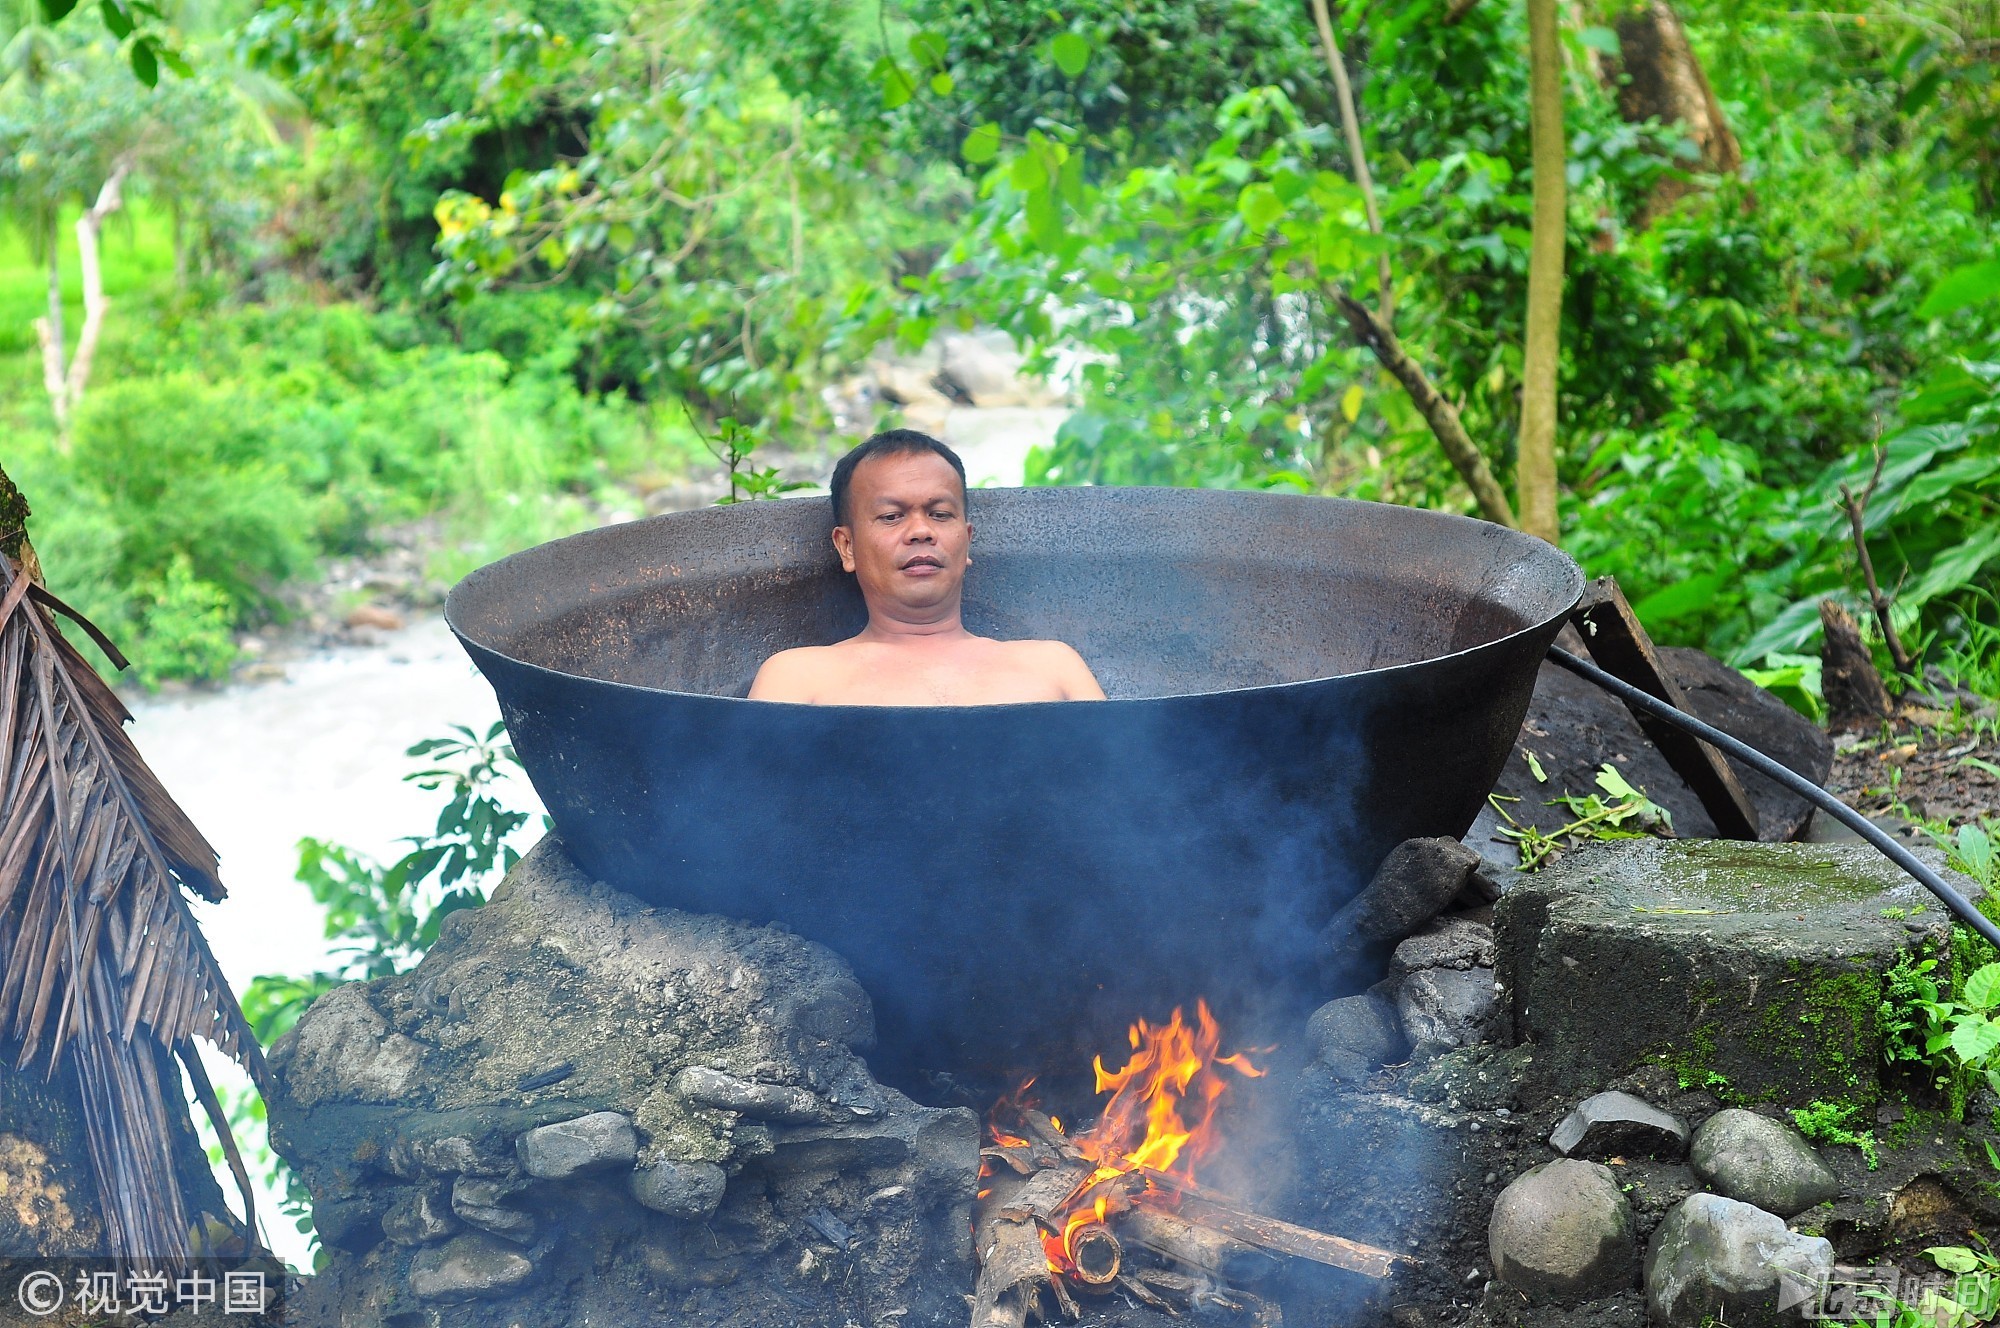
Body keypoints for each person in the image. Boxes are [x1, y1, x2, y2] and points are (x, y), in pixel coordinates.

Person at [748, 430, 1106, 706]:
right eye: (891, 516)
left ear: (966, 540)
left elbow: (1123, 789)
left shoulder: (1053, 668)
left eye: (940, 514)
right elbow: (749, 796)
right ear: (847, 546)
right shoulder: (798, 679)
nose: (921, 531)